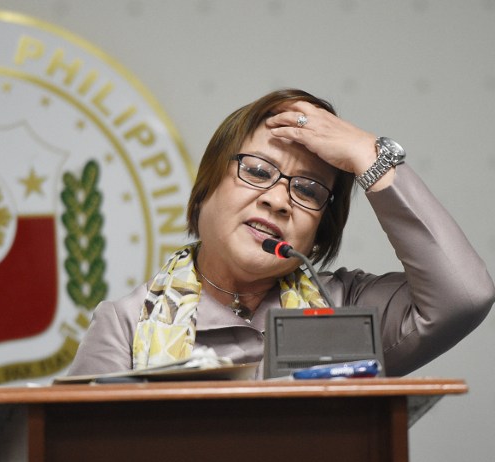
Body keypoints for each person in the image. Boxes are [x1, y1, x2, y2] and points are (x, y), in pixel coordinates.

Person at [67, 89, 495, 378]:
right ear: (204, 190)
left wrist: (371, 157)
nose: (278, 200)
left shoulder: (345, 307)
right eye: (256, 171)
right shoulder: (125, 325)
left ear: (320, 231)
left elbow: (465, 296)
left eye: (308, 189)